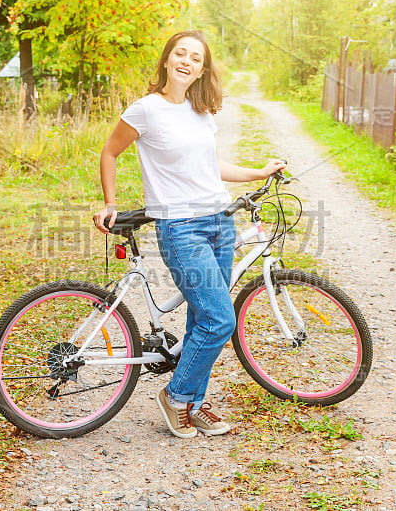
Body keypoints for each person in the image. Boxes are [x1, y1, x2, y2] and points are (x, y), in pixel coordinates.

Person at [93, 30, 285, 439]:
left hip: (219, 221)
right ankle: (176, 395)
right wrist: (109, 202)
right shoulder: (146, 110)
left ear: (202, 69)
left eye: (196, 58)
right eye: (180, 54)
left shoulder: (202, 112)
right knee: (220, 320)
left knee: (203, 316)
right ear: (166, 60)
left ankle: (193, 404)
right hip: (181, 229)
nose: (187, 62)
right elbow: (109, 151)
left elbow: (212, 167)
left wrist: (258, 172)